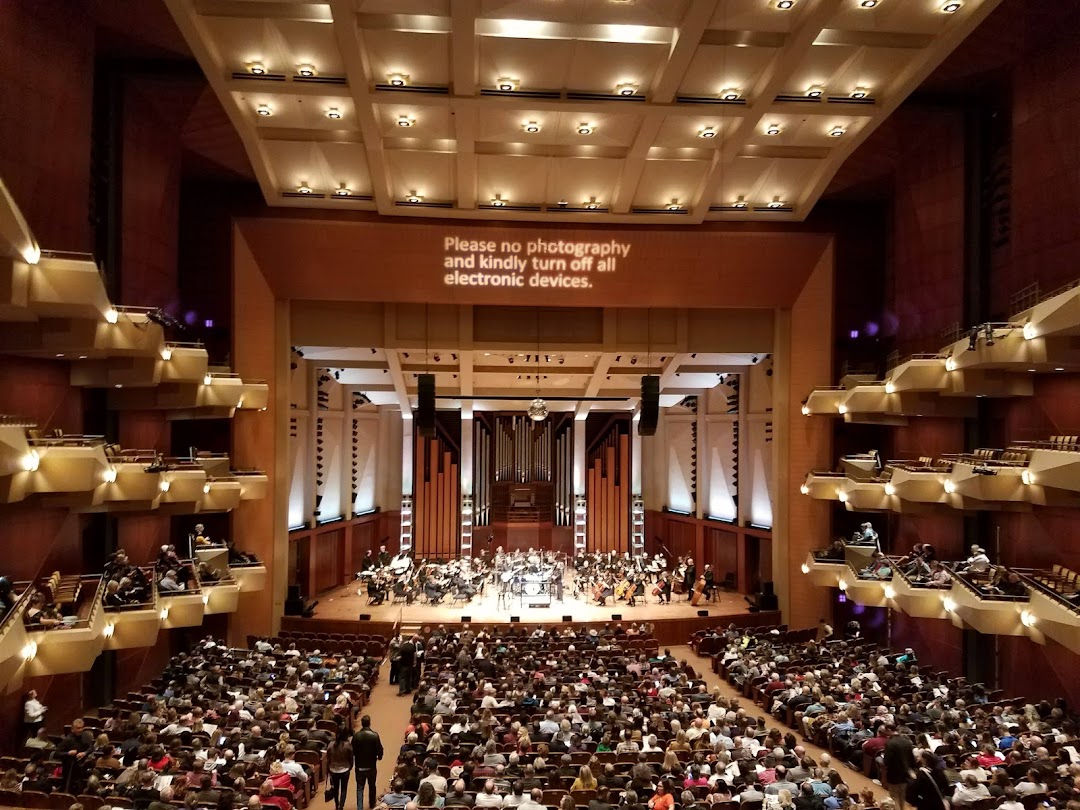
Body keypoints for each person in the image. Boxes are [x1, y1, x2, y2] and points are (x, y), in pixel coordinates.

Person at [354, 714, 383, 810]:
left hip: (359, 767)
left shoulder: (356, 736)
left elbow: (352, 750)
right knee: (372, 786)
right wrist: (379, 757)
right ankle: (372, 804)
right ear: (369, 723)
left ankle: (360, 807)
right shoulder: (375, 735)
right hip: (371, 766)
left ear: (362, 724)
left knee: (359, 788)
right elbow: (379, 749)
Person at [883, 724, 915, 810]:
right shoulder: (907, 742)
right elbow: (912, 760)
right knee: (902, 796)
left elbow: (886, 762)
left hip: (893, 774)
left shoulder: (890, 743)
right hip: (905, 773)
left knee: (894, 797)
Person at [327, 727, 353, 810]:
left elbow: (328, 758)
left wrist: (329, 768)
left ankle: (336, 805)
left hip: (333, 770)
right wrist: (350, 767)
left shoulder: (331, 744)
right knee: (344, 789)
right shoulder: (347, 745)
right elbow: (351, 758)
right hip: (345, 770)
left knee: (336, 789)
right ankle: (341, 806)